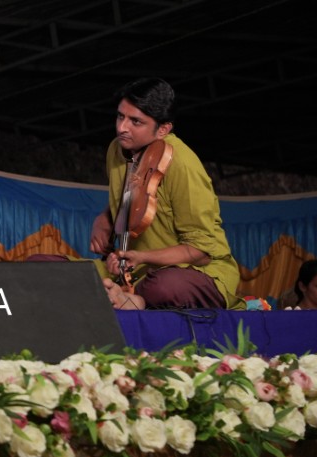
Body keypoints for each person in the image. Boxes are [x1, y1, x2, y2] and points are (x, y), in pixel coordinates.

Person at [88, 78, 239, 310]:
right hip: (134, 271)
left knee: (164, 286)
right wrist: (106, 217)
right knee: (49, 267)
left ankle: (136, 300)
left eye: (135, 121)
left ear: (163, 129)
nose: (122, 128)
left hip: (196, 273)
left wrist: (143, 257)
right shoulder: (116, 150)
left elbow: (201, 252)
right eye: (120, 116)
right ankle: (125, 295)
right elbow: (134, 197)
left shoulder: (182, 164)